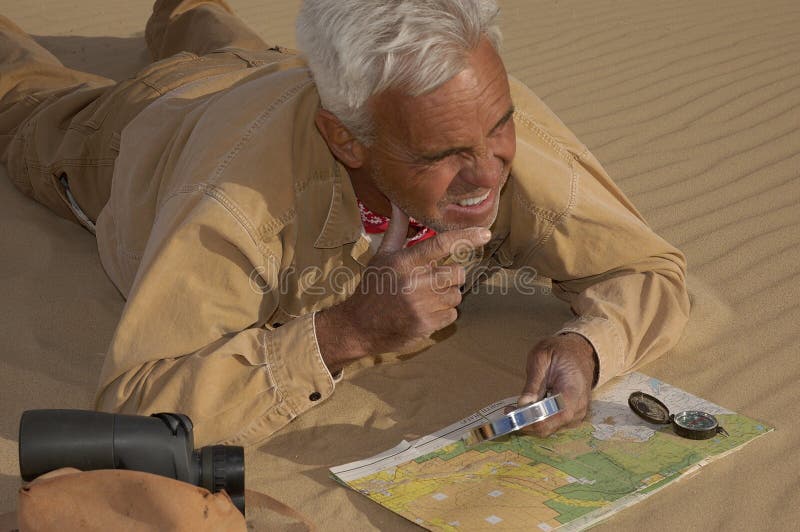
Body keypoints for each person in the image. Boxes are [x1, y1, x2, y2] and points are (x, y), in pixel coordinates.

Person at [0, 0, 690, 446]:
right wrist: (345, 331)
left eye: (499, 125)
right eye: (444, 155)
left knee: (205, 20)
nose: (489, 173)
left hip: (277, 71)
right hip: (144, 127)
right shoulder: (234, 203)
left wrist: (587, 346)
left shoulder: (468, 108)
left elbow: (650, 270)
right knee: (22, 91)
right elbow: (128, 415)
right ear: (347, 140)